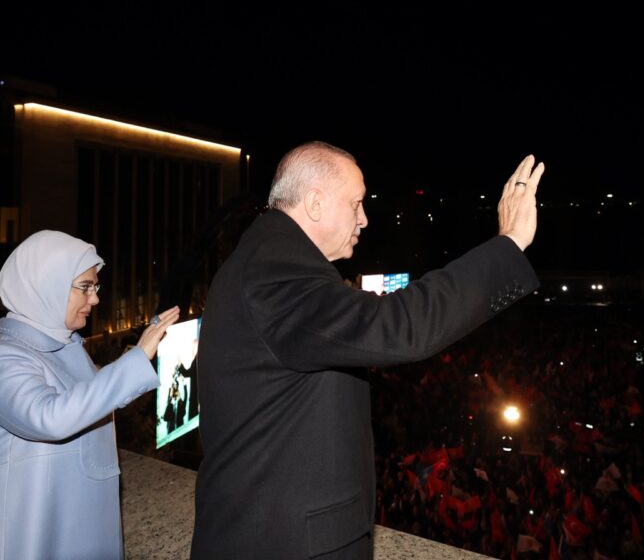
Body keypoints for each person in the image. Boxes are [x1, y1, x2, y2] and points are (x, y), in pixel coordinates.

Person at [192, 142, 544, 559]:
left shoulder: (269, 257)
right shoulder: (274, 271)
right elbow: (397, 327)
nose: (365, 219)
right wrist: (508, 245)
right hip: (283, 542)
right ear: (315, 203)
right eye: (356, 203)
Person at [0, 230, 180, 559]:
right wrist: (137, 359)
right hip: (42, 528)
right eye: (85, 287)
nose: (95, 300)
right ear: (46, 284)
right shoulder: (7, 354)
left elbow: (92, 395)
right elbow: (47, 417)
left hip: (83, 522)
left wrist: (138, 355)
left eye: (95, 287)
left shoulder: (66, 344)